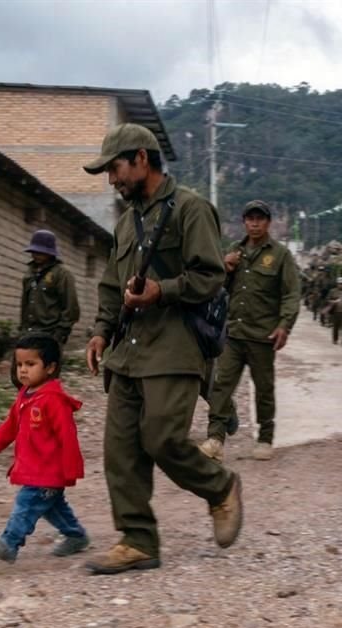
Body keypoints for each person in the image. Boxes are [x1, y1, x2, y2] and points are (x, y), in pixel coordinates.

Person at [83, 123, 243, 574]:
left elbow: (211, 277)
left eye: (114, 169)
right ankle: (138, 541)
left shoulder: (192, 209)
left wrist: (162, 291)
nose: (111, 180)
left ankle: (220, 487)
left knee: (163, 439)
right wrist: (100, 330)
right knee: (120, 450)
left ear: (140, 158)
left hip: (174, 346)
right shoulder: (123, 223)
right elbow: (112, 285)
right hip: (127, 350)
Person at [199, 200, 300, 463]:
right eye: (250, 218)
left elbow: (291, 294)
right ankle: (216, 439)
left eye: (260, 219)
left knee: (264, 389)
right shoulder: (234, 251)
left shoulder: (280, 255)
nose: (254, 223)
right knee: (220, 386)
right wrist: (225, 266)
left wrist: (284, 326)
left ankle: (265, 438)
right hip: (233, 333)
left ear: (268, 223)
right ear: (244, 222)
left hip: (263, 335)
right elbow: (217, 288)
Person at [0, 334, 89, 563]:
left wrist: (71, 468)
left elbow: (67, 436)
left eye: (30, 364)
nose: (23, 370)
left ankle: (9, 543)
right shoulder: (25, 396)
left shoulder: (53, 400)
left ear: (50, 367)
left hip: (49, 470)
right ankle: (76, 535)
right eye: (19, 365)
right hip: (35, 467)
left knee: (26, 504)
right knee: (52, 507)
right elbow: (10, 426)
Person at [12, 230, 80, 387]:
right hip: (28, 333)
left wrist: (59, 335)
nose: (36, 255)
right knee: (21, 379)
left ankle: (46, 411)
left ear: (50, 253)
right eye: (34, 251)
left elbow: (71, 309)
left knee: (46, 381)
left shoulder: (62, 274)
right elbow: (25, 304)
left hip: (50, 334)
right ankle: (26, 410)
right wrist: (22, 331)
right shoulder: (29, 274)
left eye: (40, 252)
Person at [328, 276, 342, 345]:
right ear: (337, 284)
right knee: (336, 326)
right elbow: (328, 300)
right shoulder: (332, 291)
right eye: (340, 284)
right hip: (336, 311)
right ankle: (335, 339)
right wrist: (333, 301)